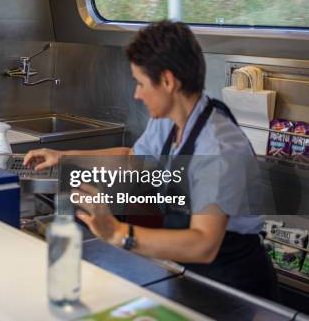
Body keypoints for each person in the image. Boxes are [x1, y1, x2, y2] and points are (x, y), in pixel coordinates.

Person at [24, 21, 277, 299]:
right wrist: (63, 158)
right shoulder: (169, 120)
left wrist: (117, 232)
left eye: (141, 83)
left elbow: (203, 244)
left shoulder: (217, 146)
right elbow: (133, 159)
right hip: (189, 272)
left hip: (234, 285)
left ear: (168, 82)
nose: (137, 94)